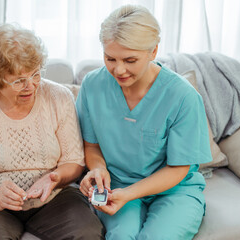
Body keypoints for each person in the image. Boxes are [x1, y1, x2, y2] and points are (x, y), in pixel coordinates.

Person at [0, 23, 104, 240]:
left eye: (35, 75)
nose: (31, 86)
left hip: (55, 197)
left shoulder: (59, 97)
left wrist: (55, 177)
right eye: (19, 80)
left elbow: (74, 161)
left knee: (88, 233)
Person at [76, 4, 212, 240]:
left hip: (175, 190)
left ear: (153, 51)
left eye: (130, 60)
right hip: (117, 184)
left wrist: (129, 194)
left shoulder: (183, 96)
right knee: (120, 236)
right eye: (110, 58)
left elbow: (179, 168)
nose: (118, 69)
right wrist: (98, 169)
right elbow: (92, 146)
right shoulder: (93, 85)